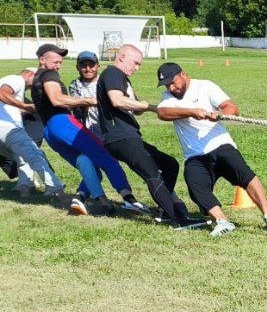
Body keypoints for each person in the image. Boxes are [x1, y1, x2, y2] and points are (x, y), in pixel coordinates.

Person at [154, 62, 267, 237]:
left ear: (183, 74)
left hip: (220, 144)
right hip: (195, 155)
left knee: (245, 174)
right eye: (167, 84)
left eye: (174, 82)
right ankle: (222, 221)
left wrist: (220, 114)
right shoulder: (168, 97)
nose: (171, 87)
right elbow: (162, 113)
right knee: (194, 185)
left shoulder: (204, 86)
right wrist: (191, 112)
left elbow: (232, 107)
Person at [95, 45, 204, 229]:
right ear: (121, 57)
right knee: (152, 174)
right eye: (135, 63)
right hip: (121, 137)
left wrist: (153, 108)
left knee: (169, 165)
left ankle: (166, 210)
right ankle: (178, 220)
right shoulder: (113, 73)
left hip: (129, 137)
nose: (137, 68)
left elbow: (134, 108)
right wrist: (150, 106)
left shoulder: (122, 78)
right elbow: (117, 100)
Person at [29, 43, 142, 217]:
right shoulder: (49, 74)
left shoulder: (36, 76)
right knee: (106, 157)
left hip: (49, 132)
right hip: (62, 123)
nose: (59, 65)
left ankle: (100, 201)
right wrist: (91, 100)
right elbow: (57, 99)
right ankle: (129, 198)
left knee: (86, 162)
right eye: (55, 61)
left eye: (60, 62)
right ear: (42, 59)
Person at [0, 67, 67, 200]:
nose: (32, 87)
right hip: (8, 129)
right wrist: (26, 106)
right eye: (33, 83)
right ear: (30, 74)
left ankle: (24, 188)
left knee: (22, 158)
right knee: (36, 155)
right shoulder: (16, 79)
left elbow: (8, 108)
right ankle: (55, 188)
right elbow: (2, 94)